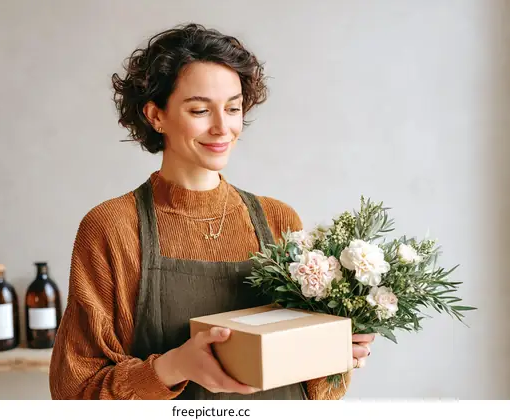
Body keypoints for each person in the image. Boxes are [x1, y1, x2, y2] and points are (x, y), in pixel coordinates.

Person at [48, 23, 374, 400]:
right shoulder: (113, 227)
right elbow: (75, 392)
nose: (223, 128)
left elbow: (318, 391)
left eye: (233, 108)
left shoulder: (279, 219)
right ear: (156, 115)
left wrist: (336, 352)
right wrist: (175, 367)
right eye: (200, 109)